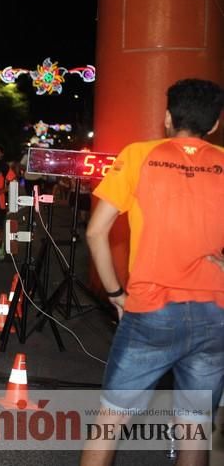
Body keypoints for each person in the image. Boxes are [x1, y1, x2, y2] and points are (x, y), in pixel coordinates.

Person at [81, 79, 224, 466]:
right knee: (196, 428)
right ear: (214, 124)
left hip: (151, 307)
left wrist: (115, 295)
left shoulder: (139, 155)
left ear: (166, 118)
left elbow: (96, 232)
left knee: (109, 422)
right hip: (216, 311)